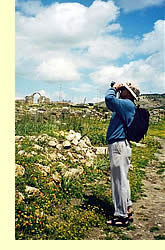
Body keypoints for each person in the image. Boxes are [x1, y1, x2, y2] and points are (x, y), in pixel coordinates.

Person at [105, 82, 140, 227]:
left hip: (118, 145)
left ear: (129, 93)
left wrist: (114, 88)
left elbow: (109, 99)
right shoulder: (127, 105)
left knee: (118, 181)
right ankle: (127, 208)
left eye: (123, 89)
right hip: (121, 145)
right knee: (122, 179)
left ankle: (121, 216)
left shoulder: (126, 104)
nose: (121, 90)